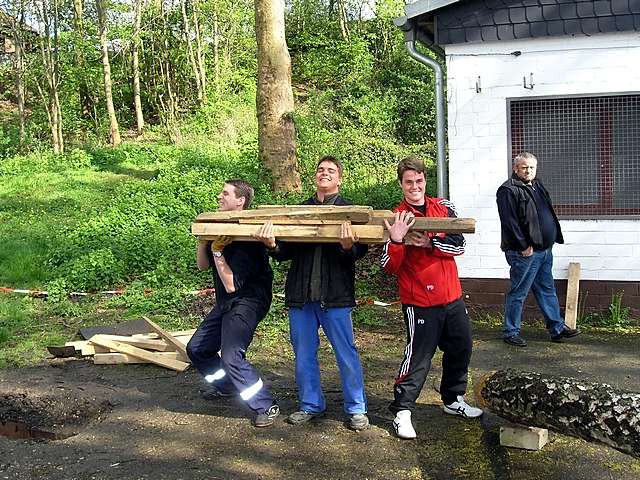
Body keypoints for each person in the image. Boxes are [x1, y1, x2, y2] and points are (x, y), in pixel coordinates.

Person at [256, 156, 369, 431]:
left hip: (335, 297)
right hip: (301, 297)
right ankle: (310, 405)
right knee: (304, 353)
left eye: (331, 170)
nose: (325, 173)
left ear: (339, 179)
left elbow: (359, 252)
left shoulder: (351, 212)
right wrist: (272, 245)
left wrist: (346, 246)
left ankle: (356, 409)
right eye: (321, 170)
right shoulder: (299, 211)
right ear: (315, 177)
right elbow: (285, 252)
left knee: (346, 353)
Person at [381, 155, 482, 440]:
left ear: (426, 180)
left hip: (452, 296)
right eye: (409, 182)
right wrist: (398, 240)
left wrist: (430, 241)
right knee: (419, 357)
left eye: (419, 180)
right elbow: (387, 265)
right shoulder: (396, 216)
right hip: (420, 302)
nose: (415, 186)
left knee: (461, 347)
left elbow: (459, 244)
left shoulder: (443, 207)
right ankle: (402, 411)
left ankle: (453, 399)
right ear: (401, 184)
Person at [186, 179, 279, 428]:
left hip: (248, 301)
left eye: (225, 194)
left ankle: (265, 405)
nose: (219, 196)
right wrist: (204, 242)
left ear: (241, 201)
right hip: (227, 302)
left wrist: (218, 251)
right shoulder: (221, 229)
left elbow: (230, 284)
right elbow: (202, 266)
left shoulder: (249, 237)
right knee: (197, 348)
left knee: (231, 356)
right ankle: (226, 386)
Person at [496, 152, 580, 347]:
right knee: (519, 292)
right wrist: (523, 246)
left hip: (544, 250)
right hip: (524, 253)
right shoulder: (508, 190)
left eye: (532, 167)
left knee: (546, 289)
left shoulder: (537, 185)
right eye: (524, 167)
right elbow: (510, 222)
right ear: (515, 169)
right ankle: (510, 332)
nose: (529, 171)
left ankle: (557, 329)